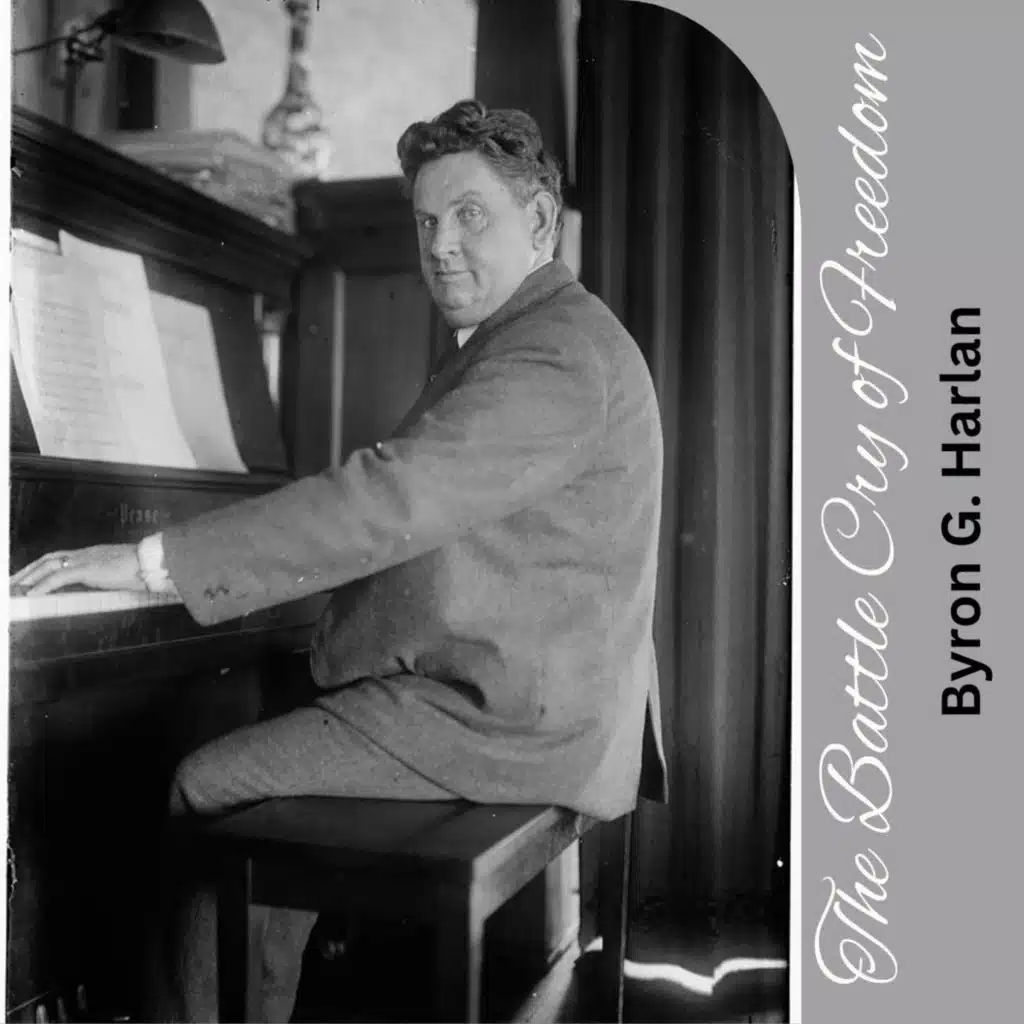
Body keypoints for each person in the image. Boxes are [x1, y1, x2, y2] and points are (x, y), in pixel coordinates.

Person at [12, 99, 667, 1021]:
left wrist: (153, 560)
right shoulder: (542, 333)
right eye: (427, 221)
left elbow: (391, 497)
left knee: (207, 784)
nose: (441, 246)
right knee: (273, 739)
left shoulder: (551, 355)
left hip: (510, 721)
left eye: (469, 215)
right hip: (530, 691)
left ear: (540, 221)